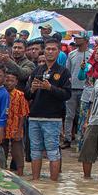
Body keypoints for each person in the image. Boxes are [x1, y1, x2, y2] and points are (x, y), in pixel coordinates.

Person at [26, 38, 71, 181]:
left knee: (53, 152)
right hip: (34, 116)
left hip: (52, 117)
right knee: (35, 151)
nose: (50, 52)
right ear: (43, 51)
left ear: (59, 52)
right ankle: (35, 181)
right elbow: (27, 94)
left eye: (53, 49)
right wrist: (32, 89)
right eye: (48, 49)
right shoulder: (37, 70)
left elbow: (66, 94)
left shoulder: (63, 72)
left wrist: (50, 88)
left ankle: (53, 183)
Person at [65, 31, 91, 147]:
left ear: (85, 40)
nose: (76, 40)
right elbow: (68, 71)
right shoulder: (71, 54)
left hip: (86, 88)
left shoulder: (91, 54)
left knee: (83, 115)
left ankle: (82, 138)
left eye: (79, 38)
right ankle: (67, 138)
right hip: (72, 88)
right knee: (69, 115)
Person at [1, 71, 28, 175]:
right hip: (2, 127)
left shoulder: (20, 95)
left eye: (12, 81)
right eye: (7, 80)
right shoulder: (1, 93)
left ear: (16, 82)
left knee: (17, 151)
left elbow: (23, 114)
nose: (9, 83)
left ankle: (20, 173)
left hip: (16, 127)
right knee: (2, 150)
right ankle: (3, 172)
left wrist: (19, 130)